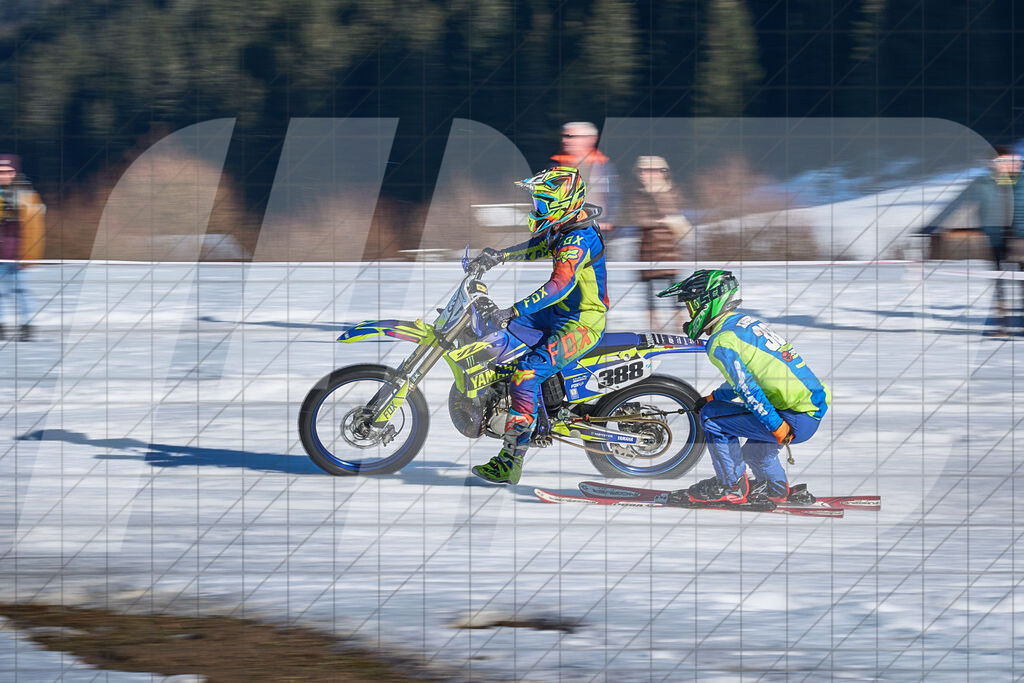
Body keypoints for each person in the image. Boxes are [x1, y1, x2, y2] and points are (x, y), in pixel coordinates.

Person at [469, 166, 609, 485]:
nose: (537, 210)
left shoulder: (577, 238)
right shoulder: (563, 226)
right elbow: (540, 247)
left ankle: (510, 460)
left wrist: (514, 309)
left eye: (542, 203)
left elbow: (559, 284)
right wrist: (499, 257)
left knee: (525, 375)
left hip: (581, 322)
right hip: (557, 314)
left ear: (561, 202)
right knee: (497, 338)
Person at [656, 269, 831, 508]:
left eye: (690, 306)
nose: (688, 314)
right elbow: (753, 375)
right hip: (809, 408)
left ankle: (730, 487)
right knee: (755, 453)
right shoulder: (742, 323)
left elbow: (748, 389)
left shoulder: (721, 341)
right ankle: (776, 490)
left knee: (712, 418)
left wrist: (776, 426)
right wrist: (714, 396)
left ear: (706, 302)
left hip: (791, 416)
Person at [925, 145, 1024, 336]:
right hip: (996, 238)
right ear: (993, 163)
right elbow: (969, 206)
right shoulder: (983, 184)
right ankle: (1001, 324)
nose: (1010, 165)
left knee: (1022, 282)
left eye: (1013, 161)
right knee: (998, 283)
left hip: (1021, 238)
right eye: (1003, 161)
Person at [625, 155, 691, 328]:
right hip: (648, 250)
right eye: (641, 171)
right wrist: (664, 221)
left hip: (670, 251)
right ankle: (655, 327)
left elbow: (675, 211)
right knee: (649, 294)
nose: (643, 174)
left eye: (648, 170)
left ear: (662, 172)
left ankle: (680, 325)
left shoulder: (672, 191)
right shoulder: (638, 195)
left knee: (675, 290)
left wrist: (665, 216)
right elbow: (640, 218)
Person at [0, 154, 45, 341]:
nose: (4, 175)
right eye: (0, 172)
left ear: (15, 173)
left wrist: (30, 256)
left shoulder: (27, 196)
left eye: (8, 171)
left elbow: (35, 229)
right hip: (1, 254)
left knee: (21, 292)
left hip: (18, 255)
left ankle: (27, 325)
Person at [551, 122, 619, 236]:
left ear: (590, 139)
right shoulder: (555, 165)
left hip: (598, 230)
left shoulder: (604, 165)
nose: (564, 141)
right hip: (566, 231)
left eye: (570, 137)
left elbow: (613, 196)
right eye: (564, 136)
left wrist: (609, 221)